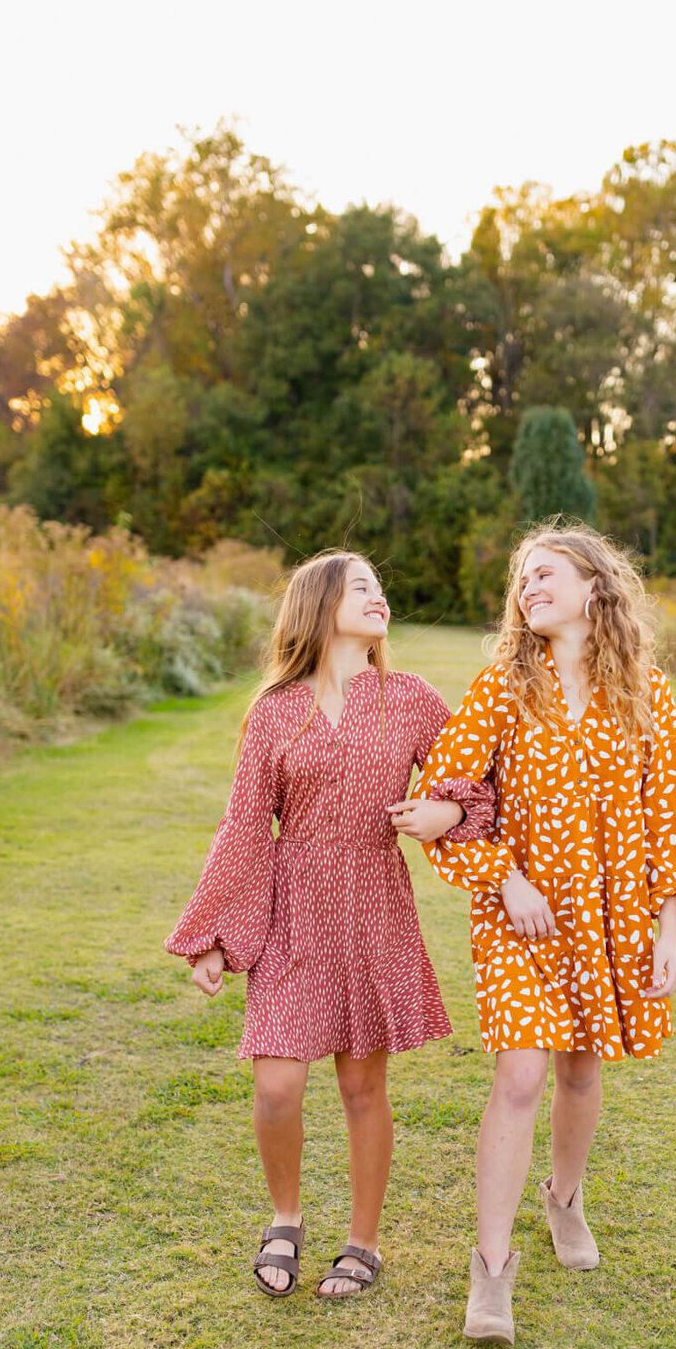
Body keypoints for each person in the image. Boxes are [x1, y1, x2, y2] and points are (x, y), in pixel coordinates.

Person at [165, 550, 493, 1301]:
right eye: (362, 589)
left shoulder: (409, 699)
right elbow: (245, 825)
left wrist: (442, 811)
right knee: (278, 1085)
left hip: (374, 899)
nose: (381, 598)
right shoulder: (276, 710)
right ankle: (285, 1219)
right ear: (319, 607)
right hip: (293, 904)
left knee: (361, 1086)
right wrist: (215, 934)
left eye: (382, 586)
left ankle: (363, 1243)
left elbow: (473, 781)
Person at [416, 522, 676, 1345]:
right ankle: (491, 1271)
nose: (528, 588)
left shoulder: (645, 692)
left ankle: (566, 1198)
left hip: (611, 918)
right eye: (522, 578)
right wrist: (504, 880)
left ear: (594, 587)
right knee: (519, 1076)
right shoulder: (501, 690)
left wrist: (668, 926)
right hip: (520, 914)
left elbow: (672, 817)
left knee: (581, 1072)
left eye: (546, 573)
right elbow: (452, 793)